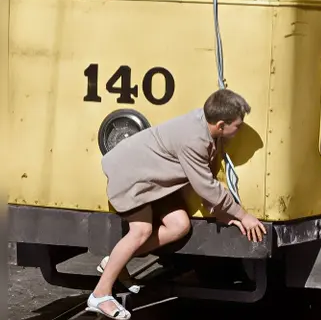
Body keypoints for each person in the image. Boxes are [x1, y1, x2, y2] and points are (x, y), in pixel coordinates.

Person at [87, 89, 266, 319]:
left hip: (153, 181)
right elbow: (206, 186)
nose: (239, 129)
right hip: (131, 177)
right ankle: (100, 295)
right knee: (141, 230)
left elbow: (202, 178)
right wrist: (243, 216)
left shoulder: (207, 128)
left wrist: (219, 212)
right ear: (221, 125)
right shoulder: (194, 140)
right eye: (238, 125)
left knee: (179, 225)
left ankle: (114, 262)